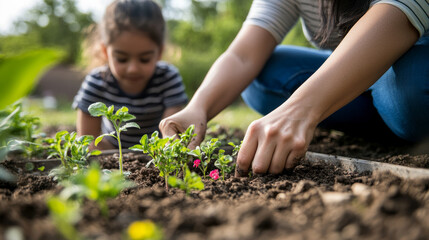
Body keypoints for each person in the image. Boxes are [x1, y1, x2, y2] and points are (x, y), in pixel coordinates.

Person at [159, 0, 429, 176]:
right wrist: (198, 107)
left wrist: (301, 109)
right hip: (358, 83)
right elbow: (244, 55)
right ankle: (390, 120)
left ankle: (396, 114)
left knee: (410, 91)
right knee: (261, 76)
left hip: (411, 64)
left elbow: (399, 14)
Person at [73, 0, 188, 150]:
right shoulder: (97, 82)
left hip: (156, 153)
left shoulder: (168, 78)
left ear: (159, 52)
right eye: (122, 59)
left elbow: (171, 137)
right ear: (105, 51)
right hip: (110, 152)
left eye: (144, 59)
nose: (133, 69)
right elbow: (88, 140)